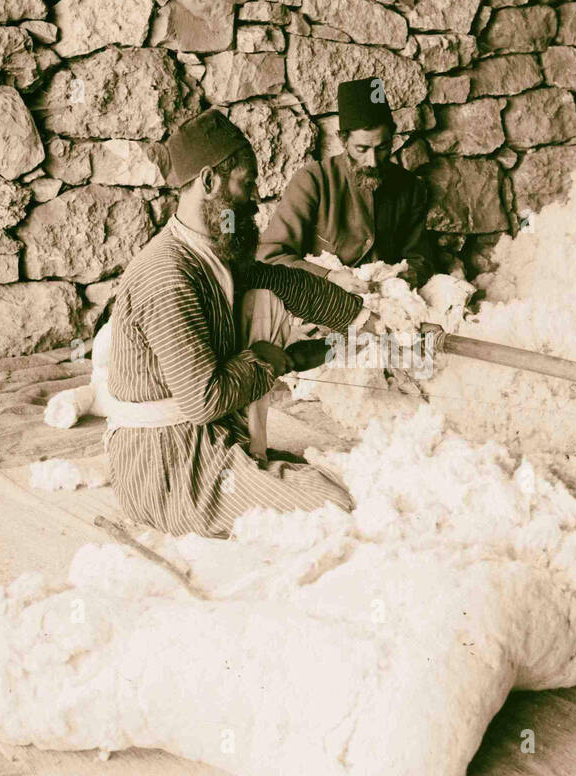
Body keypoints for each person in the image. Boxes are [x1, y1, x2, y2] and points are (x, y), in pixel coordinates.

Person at [105, 107, 377, 538]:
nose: (254, 198)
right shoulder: (168, 274)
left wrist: (364, 318)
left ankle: (254, 469)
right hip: (165, 464)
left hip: (200, 436)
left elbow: (281, 281)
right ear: (209, 182)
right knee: (334, 505)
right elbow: (205, 400)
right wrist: (268, 358)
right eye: (246, 183)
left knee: (340, 482)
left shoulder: (210, 249)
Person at [256, 76, 436, 291]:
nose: (373, 161)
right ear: (343, 140)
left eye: (382, 148)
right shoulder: (313, 180)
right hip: (324, 296)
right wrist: (329, 277)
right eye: (362, 149)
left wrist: (400, 279)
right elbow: (271, 256)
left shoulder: (409, 186)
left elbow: (420, 259)